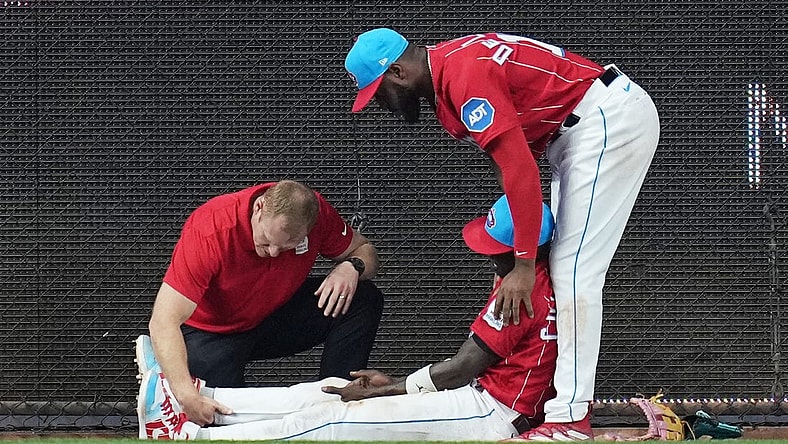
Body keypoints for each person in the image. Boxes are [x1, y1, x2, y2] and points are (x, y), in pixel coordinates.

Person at [344, 28, 660, 440]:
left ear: (399, 72)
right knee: (563, 270)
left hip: (602, 122)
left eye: (378, 90)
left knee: (573, 274)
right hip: (576, 130)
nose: (380, 103)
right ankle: (558, 405)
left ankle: (570, 419)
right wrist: (513, 258)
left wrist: (524, 265)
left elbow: (520, 170)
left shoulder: (463, 76)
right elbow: (509, 167)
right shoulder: (449, 73)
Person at [136, 196, 560, 441]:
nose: (485, 252)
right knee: (330, 393)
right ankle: (187, 394)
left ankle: (195, 435)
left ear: (522, 251)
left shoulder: (520, 292)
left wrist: (391, 389)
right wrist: (389, 388)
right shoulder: (531, 278)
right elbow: (163, 319)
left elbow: (465, 367)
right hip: (217, 330)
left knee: (336, 418)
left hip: (491, 413)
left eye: (495, 247)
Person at [140, 179, 384, 428]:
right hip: (211, 333)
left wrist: (352, 266)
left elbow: (365, 249)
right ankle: (167, 378)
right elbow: (163, 321)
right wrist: (186, 395)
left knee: (362, 298)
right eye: (266, 241)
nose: (274, 252)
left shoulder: (318, 215)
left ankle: (339, 407)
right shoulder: (212, 228)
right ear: (259, 208)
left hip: (270, 315)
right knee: (221, 416)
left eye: (288, 246)